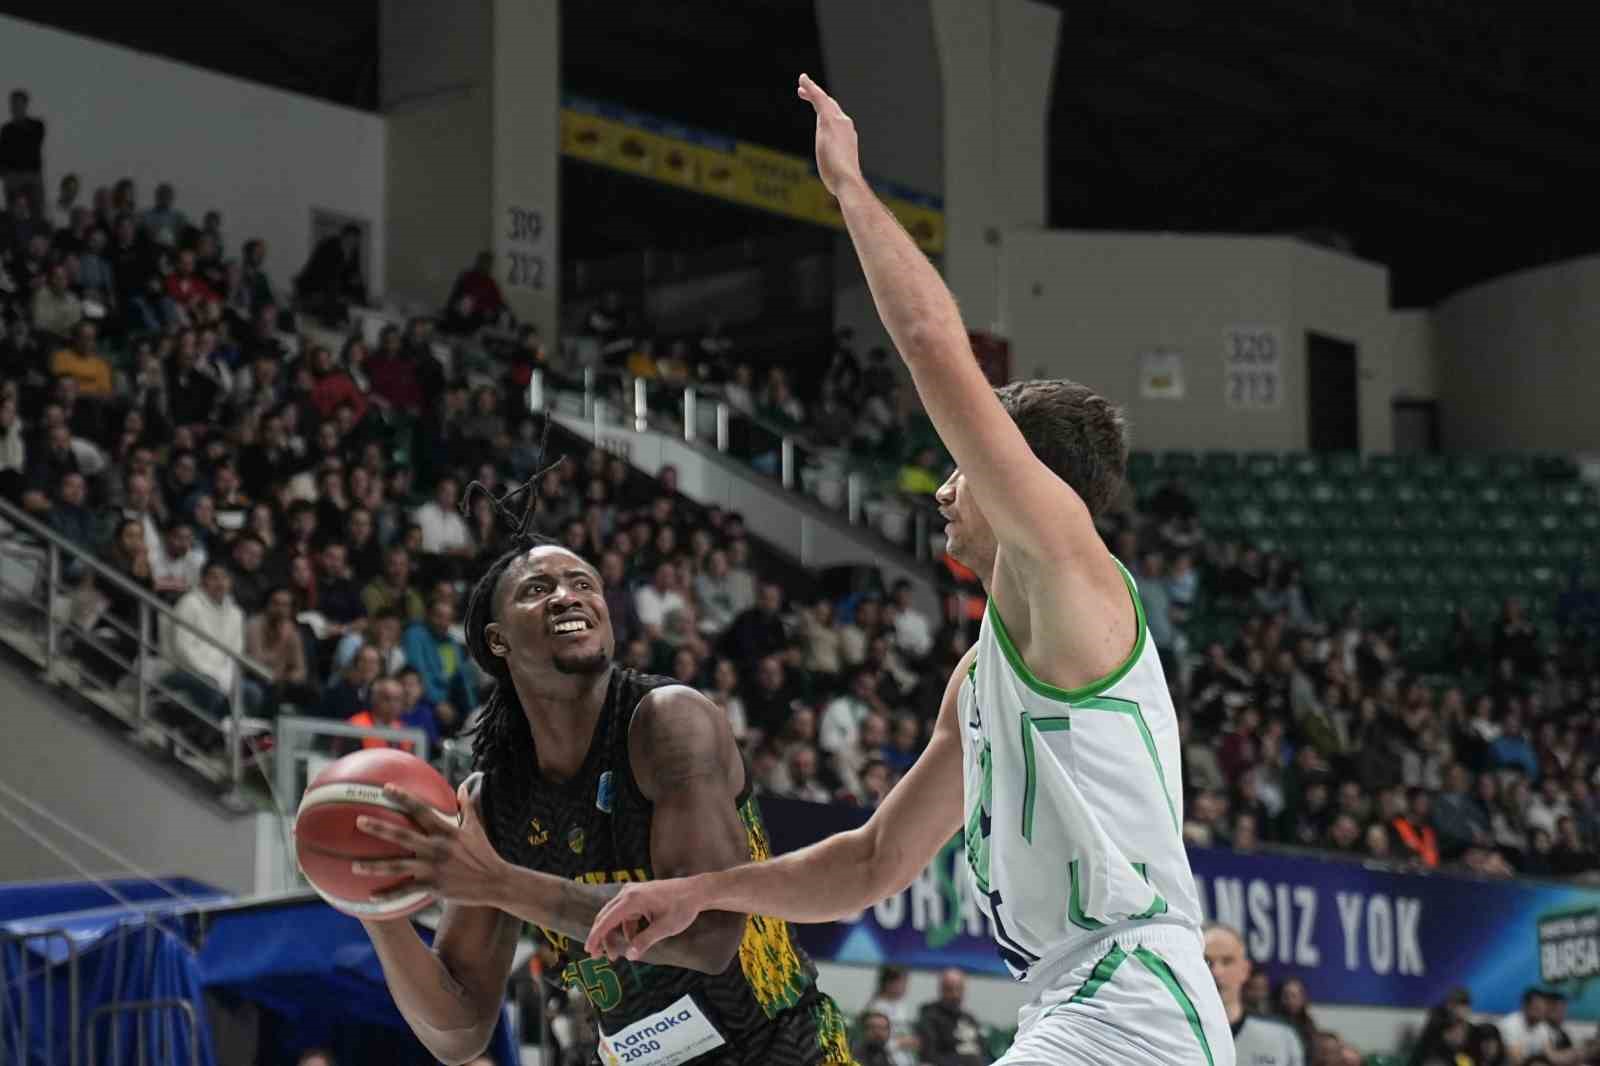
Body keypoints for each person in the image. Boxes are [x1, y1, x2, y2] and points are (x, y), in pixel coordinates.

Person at [586, 75, 1230, 1066]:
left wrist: (846, 187)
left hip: (1131, 1000)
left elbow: (933, 344)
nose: (939, 488)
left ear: (1025, 478)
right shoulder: (982, 678)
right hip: (1080, 1002)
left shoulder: (1071, 571)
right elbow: (871, 862)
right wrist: (701, 891)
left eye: (965, 465)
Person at [351, 472, 856, 1066]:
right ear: (497, 640)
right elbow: (458, 1032)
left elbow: (708, 937)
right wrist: (373, 906)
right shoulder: (495, 802)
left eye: (583, 583)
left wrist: (500, 884)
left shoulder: (669, 722)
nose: (568, 596)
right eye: (537, 589)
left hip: (778, 1052)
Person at [1204, 924, 1305, 1066]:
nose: (1216, 972)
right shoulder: (1172, 1034)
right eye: (1206, 961)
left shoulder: (1283, 1038)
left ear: (1245, 969)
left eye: (1227, 961)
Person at [914, 969, 988, 1066]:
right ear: (941, 990)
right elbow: (929, 1055)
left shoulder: (969, 1018)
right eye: (950, 989)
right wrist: (965, 1060)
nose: (955, 994)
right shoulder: (930, 1016)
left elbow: (982, 1049)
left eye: (959, 989)